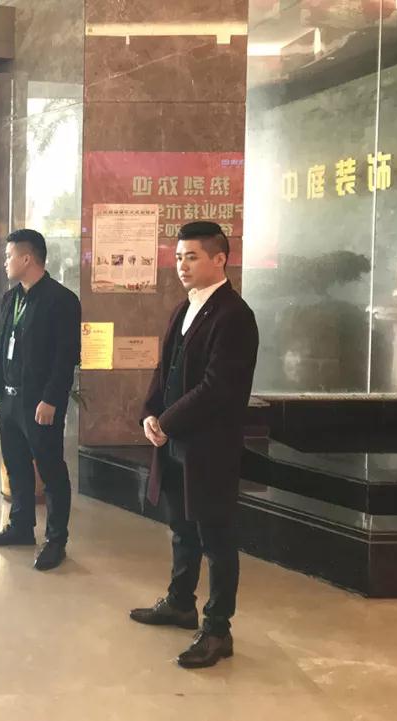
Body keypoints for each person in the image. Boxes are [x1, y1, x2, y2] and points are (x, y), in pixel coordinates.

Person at [130, 221, 259, 669]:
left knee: (216, 537)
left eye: (192, 257)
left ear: (219, 259)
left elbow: (218, 387)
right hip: (174, 440)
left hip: (209, 446)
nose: (182, 266)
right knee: (181, 526)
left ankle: (218, 629)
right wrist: (150, 412)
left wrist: (166, 422)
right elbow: (163, 370)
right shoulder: (184, 307)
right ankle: (180, 602)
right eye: (178, 257)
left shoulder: (234, 315)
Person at [0, 229, 81, 571]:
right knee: (17, 466)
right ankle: (21, 527)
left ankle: (56, 540)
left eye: (9, 256)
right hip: (9, 400)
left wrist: (51, 399)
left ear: (27, 258)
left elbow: (66, 357)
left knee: (51, 470)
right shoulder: (11, 298)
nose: (5, 262)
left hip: (39, 403)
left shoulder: (61, 300)